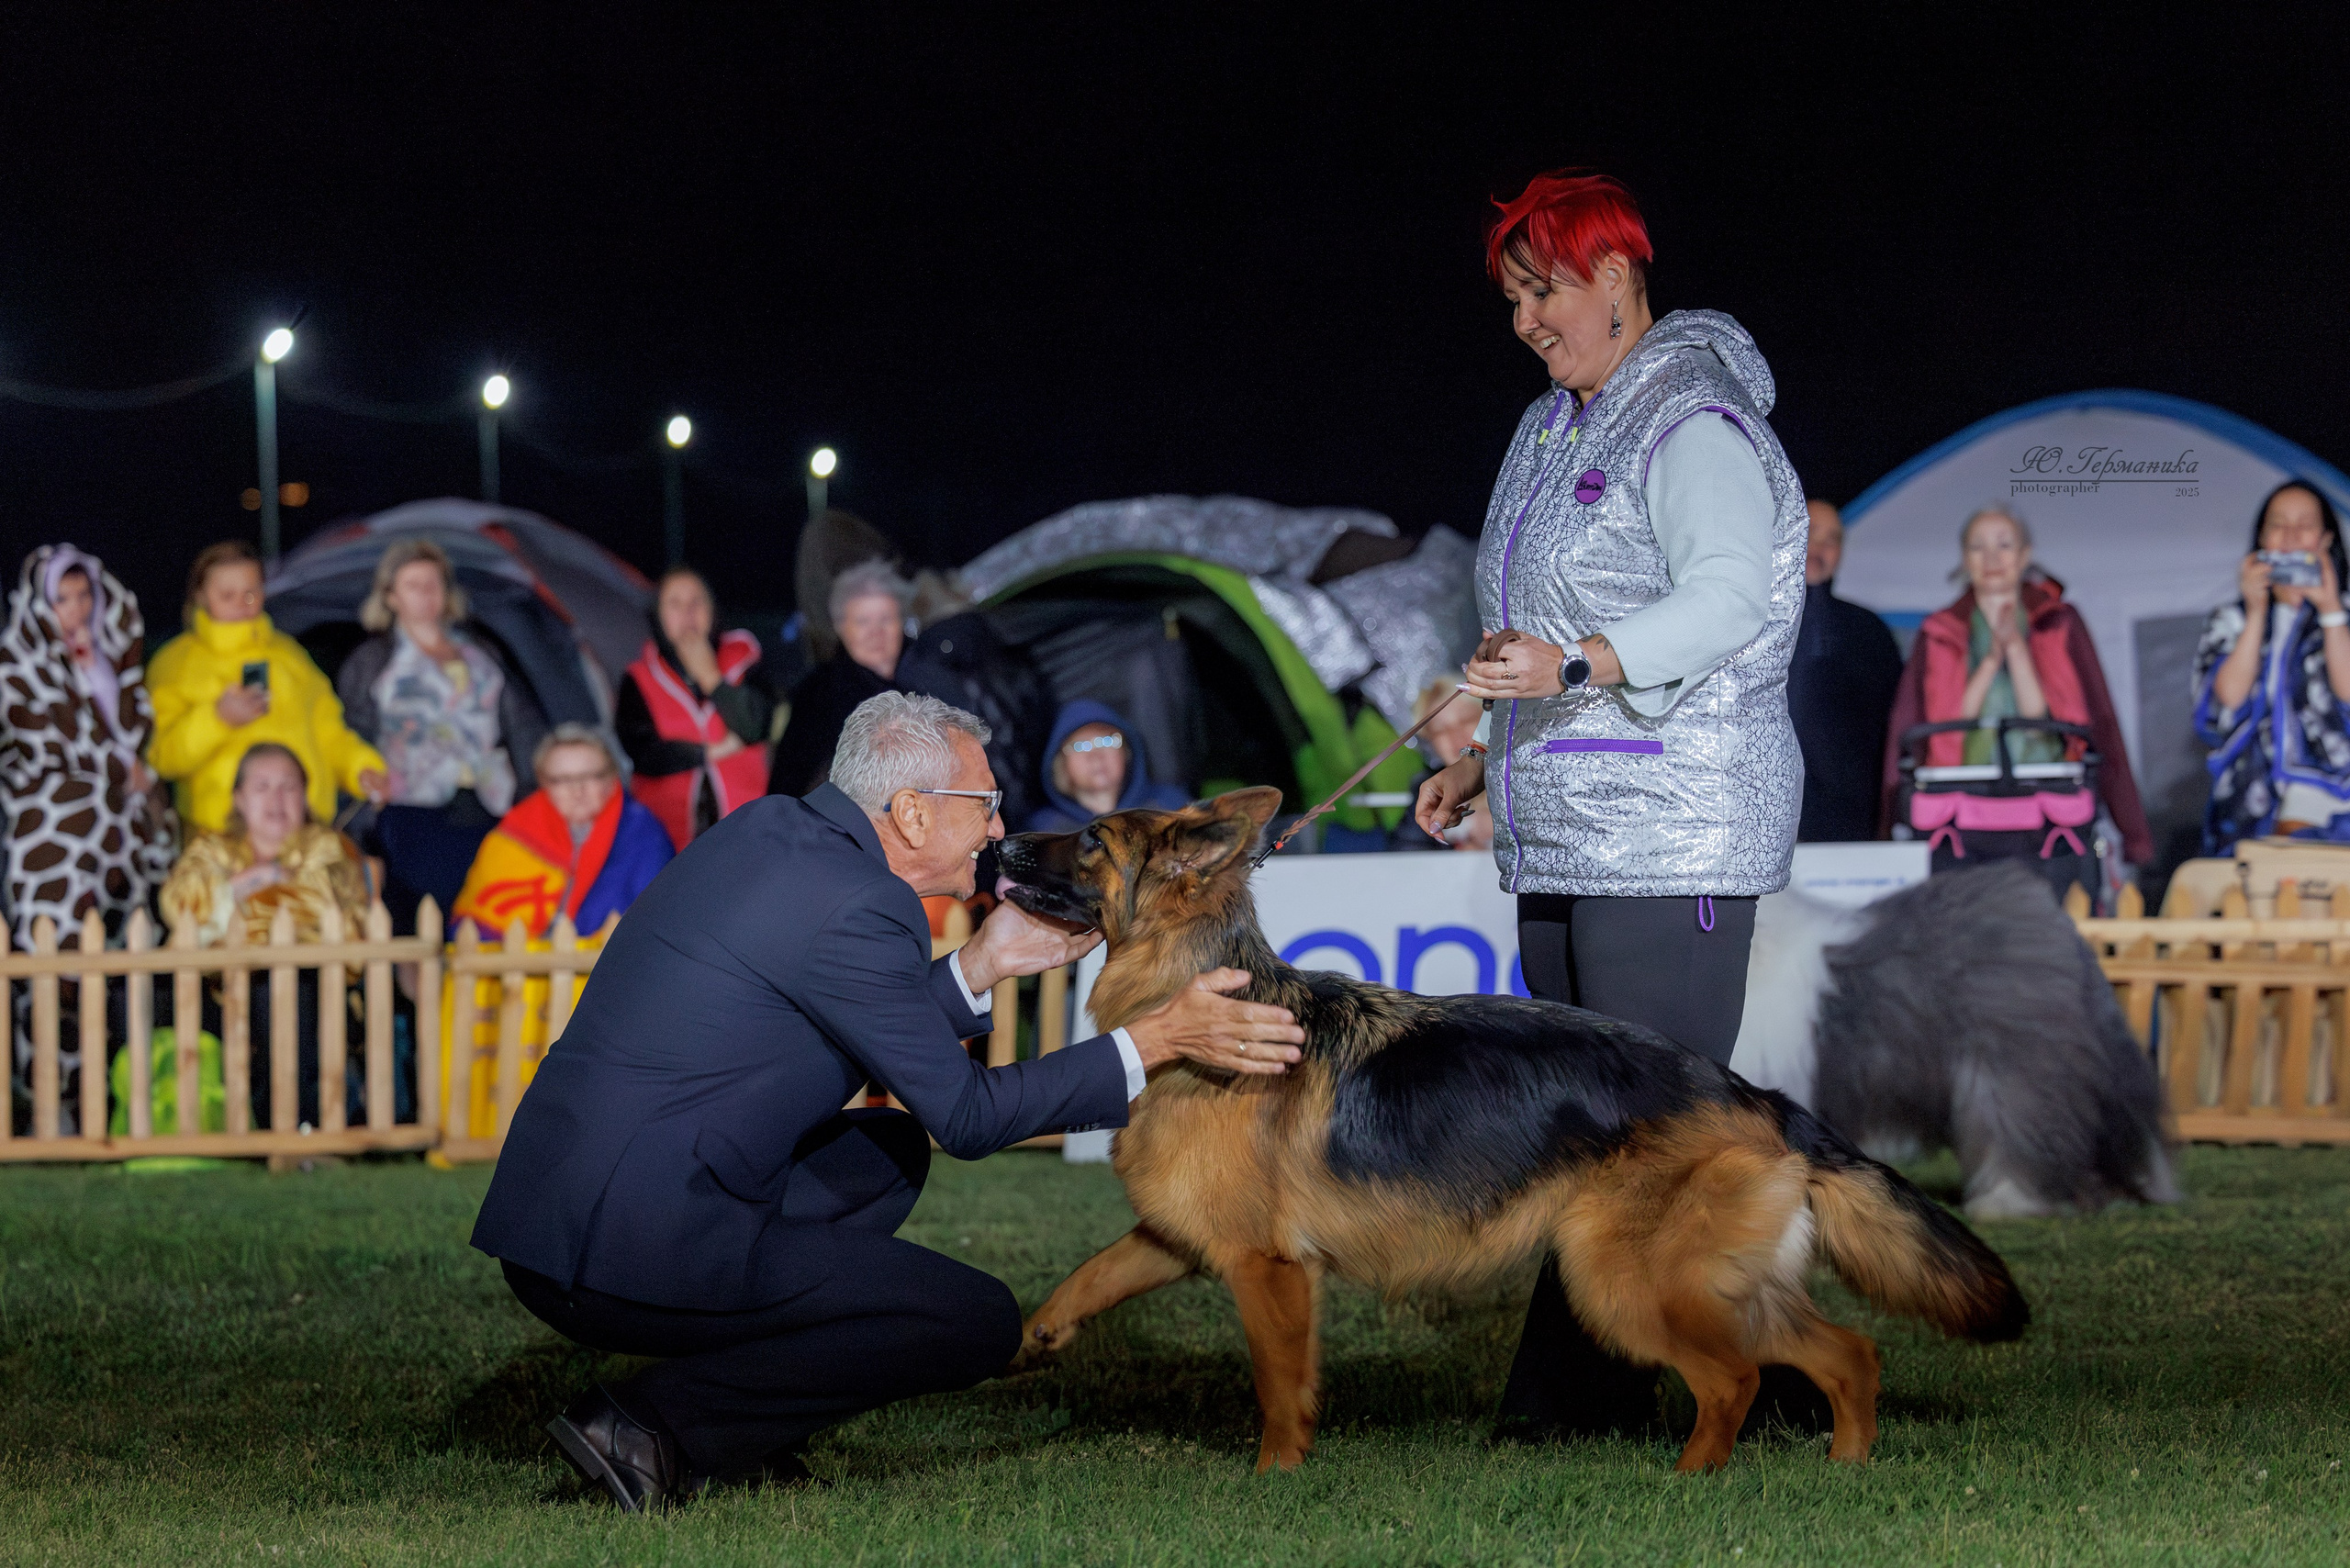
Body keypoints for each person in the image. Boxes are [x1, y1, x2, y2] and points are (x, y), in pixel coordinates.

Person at [473, 691, 1305, 1508]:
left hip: (573, 1205)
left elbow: (829, 1018)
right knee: (974, 1321)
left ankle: (749, 1420)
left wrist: (981, 965)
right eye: (983, 804)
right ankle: (655, 1425)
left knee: (885, 1157)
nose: (996, 829)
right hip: (624, 1243)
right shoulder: (865, 906)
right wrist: (1154, 1040)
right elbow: (970, 1118)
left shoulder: (773, 833)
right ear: (910, 812)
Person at [1412, 171, 1807, 1439]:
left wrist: (1576, 661)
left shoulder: (1694, 419)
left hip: (1675, 831)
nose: (1529, 317)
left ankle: (1565, 1411)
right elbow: (1541, 635)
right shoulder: (1549, 428)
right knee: (1617, 1136)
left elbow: (1727, 598)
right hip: (1567, 833)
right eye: (1514, 295)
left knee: (1628, 1143)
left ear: (1623, 276)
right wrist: (1486, 755)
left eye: (1550, 287)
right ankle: (1782, 1381)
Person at [1880, 506, 2152, 864]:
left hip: (2047, 799)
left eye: (2004, 545)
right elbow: (1931, 724)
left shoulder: (2058, 621)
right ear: (1965, 559)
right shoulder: (1941, 630)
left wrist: (2017, 649)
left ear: (2025, 555)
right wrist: (1992, 658)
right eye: (1978, 547)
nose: (1992, 557)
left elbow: (2095, 721)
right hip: (1962, 805)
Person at [336, 540, 548, 931]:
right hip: (409, 809)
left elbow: (521, 726)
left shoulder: (480, 652)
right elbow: (351, 736)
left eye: (433, 584)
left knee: (479, 916)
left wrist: (533, 793)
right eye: (413, 585)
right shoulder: (372, 662)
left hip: (486, 804)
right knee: (415, 924)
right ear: (390, 596)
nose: (426, 595)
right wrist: (363, 806)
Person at [159, 744, 371, 1126]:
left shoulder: (327, 846)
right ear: (239, 798)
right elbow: (178, 901)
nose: (276, 799)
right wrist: (264, 877)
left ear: (305, 796)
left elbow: (315, 903)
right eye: (262, 787)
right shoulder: (211, 847)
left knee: (279, 982)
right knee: (146, 991)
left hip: (309, 985)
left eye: (288, 787)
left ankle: (296, 1126)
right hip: (216, 989)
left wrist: (228, 899)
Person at [0, 544, 176, 947]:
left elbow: (133, 725)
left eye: (84, 595)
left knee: (126, 935)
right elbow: (41, 741)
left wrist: (90, 671)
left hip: (123, 821)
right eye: (62, 598)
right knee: (57, 935)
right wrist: (119, 770)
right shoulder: (15, 663)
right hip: (59, 823)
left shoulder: (108, 655)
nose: (75, 609)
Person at [148, 540, 387, 835]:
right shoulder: (175, 663)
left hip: (304, 828)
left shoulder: (290, 655)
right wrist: (217, 720)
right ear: (201, 596)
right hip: (223, 833)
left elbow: (329, 733)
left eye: (251, 594)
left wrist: (360, 769)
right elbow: (162, 756)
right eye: (227, 595)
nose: (241, 604)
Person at [2196, 479, 2350, 850]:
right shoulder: (2230, 618)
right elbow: (2228, 698)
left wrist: (2331, 614)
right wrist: (2256, 611)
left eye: (2305, 524)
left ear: (2326, 539)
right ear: (2262, 539)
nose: (2291, 536)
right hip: (2250, 799)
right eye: (2278, 524)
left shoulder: (2344, 611)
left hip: (2333, 802)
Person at [451, 725, 674, 940]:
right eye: (562, 780)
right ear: (543, 783)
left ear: (611, 779)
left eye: (591, 776)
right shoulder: (513, 835)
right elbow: (473, 928)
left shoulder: (642, 835)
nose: (577, 790)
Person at [617, 566, 774, 850]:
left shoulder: (745, 659)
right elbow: (644, 752)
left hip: (746, 837)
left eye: (697, 602)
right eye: (675, 604)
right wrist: (712, 752)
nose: (688, 613)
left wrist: (711, 678)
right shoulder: (639, 677)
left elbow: (755, 725)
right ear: (658, 615)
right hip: (668, 840)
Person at [1787, 500, 1903, 842]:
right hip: (1758, 808)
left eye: (1832, 539)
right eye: (1809, 533)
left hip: (1851, 820)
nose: (1819, 547)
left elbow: (1894, 730)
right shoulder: (1746, 621)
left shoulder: (1869, 630)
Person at [768, 561, 910, 798]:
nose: (876, 632)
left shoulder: (930, 678)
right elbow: (791, 783)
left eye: (886, 619)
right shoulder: (818, 695)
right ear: (840, 626)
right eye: (863, 621)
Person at [1023, 699, 1189, 832]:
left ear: (1126, 750)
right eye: (1080, 746)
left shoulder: (1169, 804)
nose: (1096, 756)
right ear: (1060, 763)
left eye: (1107, 741)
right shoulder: (1044, 830)